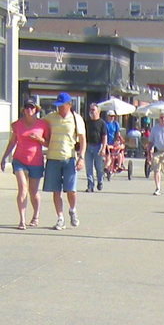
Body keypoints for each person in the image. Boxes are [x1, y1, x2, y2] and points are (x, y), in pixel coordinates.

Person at [41, 92, 85, 230]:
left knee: (71, 190)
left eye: (62, 106)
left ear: (69, 105)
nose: (59, 108)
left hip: (69, 158)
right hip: (53, 158)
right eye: (58, 106)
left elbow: (83, 140)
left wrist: (81, 157)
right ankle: (60, 218)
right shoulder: (50, 118)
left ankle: (72, 210)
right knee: (56, 190)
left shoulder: (76, 119)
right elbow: (38, 126)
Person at [1, 98, 47, 228]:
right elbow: (12, 142)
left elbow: (48, 143)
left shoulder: (42, 125)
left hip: (36, 161)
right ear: (23, 110)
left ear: (36, 109)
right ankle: (22, 219)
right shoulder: (17, 125)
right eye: (27, 107)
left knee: (33, 191)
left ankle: (36, 216)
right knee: (22, 189)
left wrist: (39, 139)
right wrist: (4, 157)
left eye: (32, 107)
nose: (29, 110)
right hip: (19, 160)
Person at [83, 103, 107, 193]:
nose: (91, 112)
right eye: (91, 110)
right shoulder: (87, 122)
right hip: (88, 146)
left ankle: (100, 181)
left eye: (93, 110)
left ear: (98, 111)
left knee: (99, 167)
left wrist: (103, 148)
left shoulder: (102, 123)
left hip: (98, 146)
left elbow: (104, 136)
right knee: (89, 167)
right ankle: (90, 185)